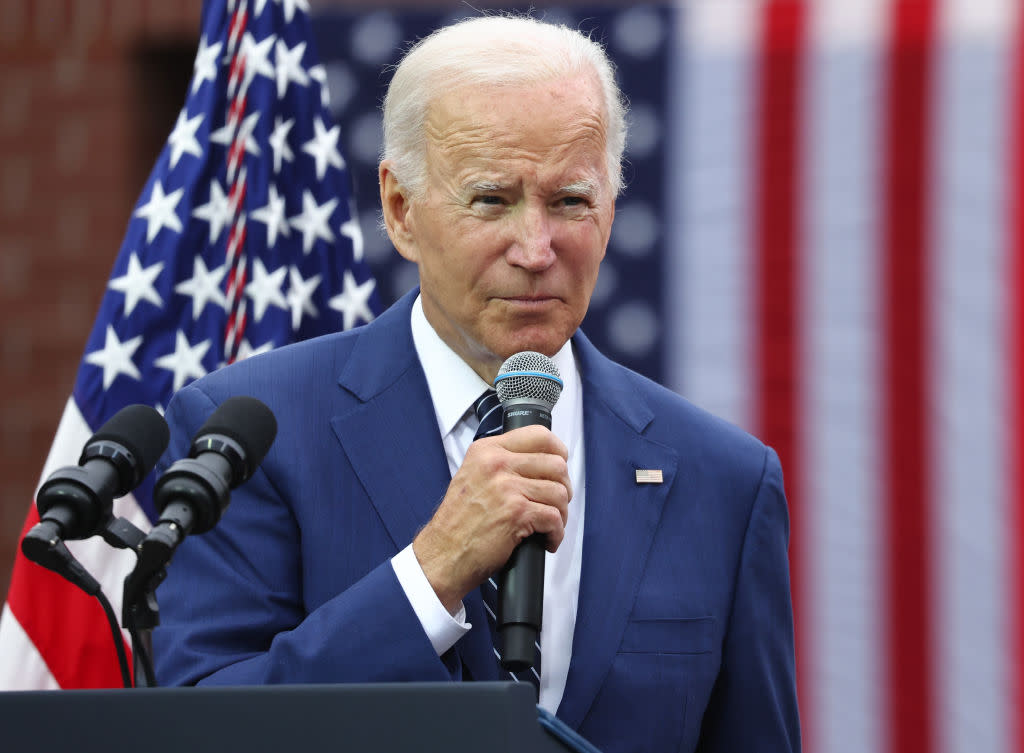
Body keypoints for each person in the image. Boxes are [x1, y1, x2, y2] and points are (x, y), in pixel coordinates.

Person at [153, 15, 800, 753]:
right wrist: (430, 575)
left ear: (611, 209)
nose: (535, 249)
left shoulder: (726, 480)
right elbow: (200, 729)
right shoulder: (253, 433)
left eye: (570, 202)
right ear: (400, 211)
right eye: (491, 199)